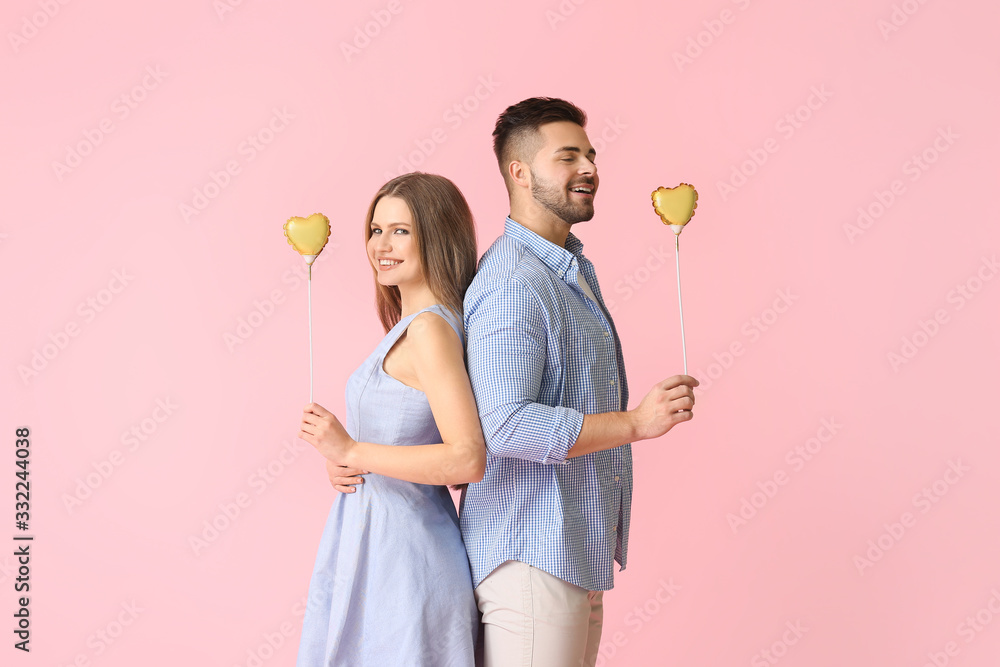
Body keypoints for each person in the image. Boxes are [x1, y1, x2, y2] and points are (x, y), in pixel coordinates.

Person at [459, 97, 700, 666]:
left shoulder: (566, 268)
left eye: (590, 154)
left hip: (566, 550)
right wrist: (637, 423)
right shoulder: (516, 282)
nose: (589, 168)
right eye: (568, 156)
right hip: (530, 556)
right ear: (519, 173)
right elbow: (503, 423)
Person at [296, 172, 485, 667]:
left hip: (407, 563)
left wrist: (353, 451)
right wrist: (352, 464)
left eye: (400, 231)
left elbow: (467, 458)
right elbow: (410, 439)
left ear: (437, 236)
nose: (381, 244)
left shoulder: (429, 331)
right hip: (378, 548)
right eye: (376, 230)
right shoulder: (412, 326)